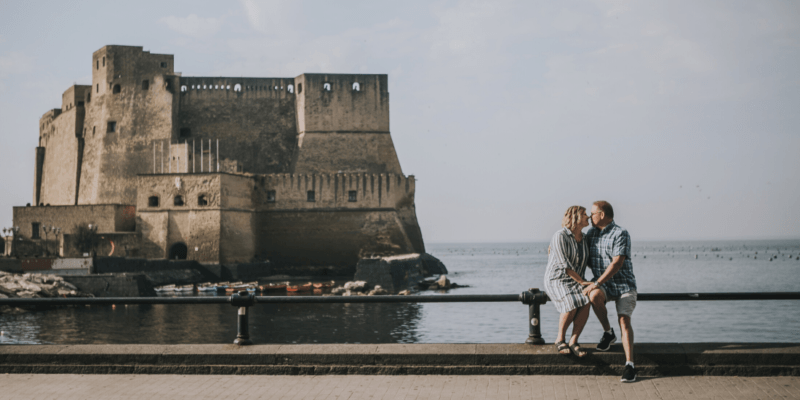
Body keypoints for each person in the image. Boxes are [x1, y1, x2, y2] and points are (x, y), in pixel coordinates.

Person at [581, 200, 638, 383]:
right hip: (603, 285)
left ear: (602, 215)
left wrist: (596, 282)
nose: (590, 217)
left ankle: (629, 365)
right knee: (594, 295)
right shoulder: (590, 234)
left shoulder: (620, 233)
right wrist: (555, 251)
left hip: (624, 285)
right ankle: (608, 332)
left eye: (592, 214)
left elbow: (617, 263)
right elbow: (578, 250)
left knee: (624, 319)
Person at [543, 205, 592, 357]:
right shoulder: (560, 236)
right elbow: (564, 265)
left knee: (587, 300)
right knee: (570, 302)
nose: (588, 216)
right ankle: (560, 339)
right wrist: (583, 282)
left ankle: (574, 341)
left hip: (576, 279)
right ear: (575, 217)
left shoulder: (584, 239)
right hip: (557, 278)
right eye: (584, 214)